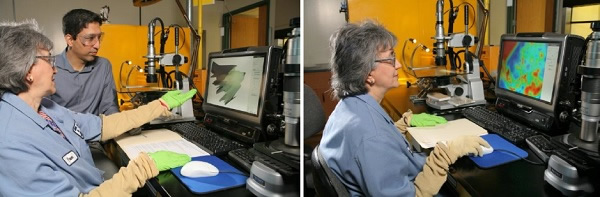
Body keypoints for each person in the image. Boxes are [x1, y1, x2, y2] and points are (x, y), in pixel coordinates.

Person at [0, 20, 197, 196]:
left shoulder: (48, 109)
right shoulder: (11, 142)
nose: (56, 68)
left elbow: (103, 125)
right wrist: (142, 169)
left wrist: (159, 105)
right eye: (49, 60)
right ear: (27, 71)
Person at [319, 20, 491, 197]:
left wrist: (399, 126)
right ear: (368, 73)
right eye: (391, 58)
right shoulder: (372, 136)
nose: (399, 65)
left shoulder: (350, 107)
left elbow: (372, 147)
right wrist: (446, 154)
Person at [49, 8, 119, 116]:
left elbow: (109, 107)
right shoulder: (49, 67)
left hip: (95, 131)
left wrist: (123, 123)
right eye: (90, 38)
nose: (97, 45)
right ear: (70, 40)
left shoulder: (103, 66)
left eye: (99, 37)